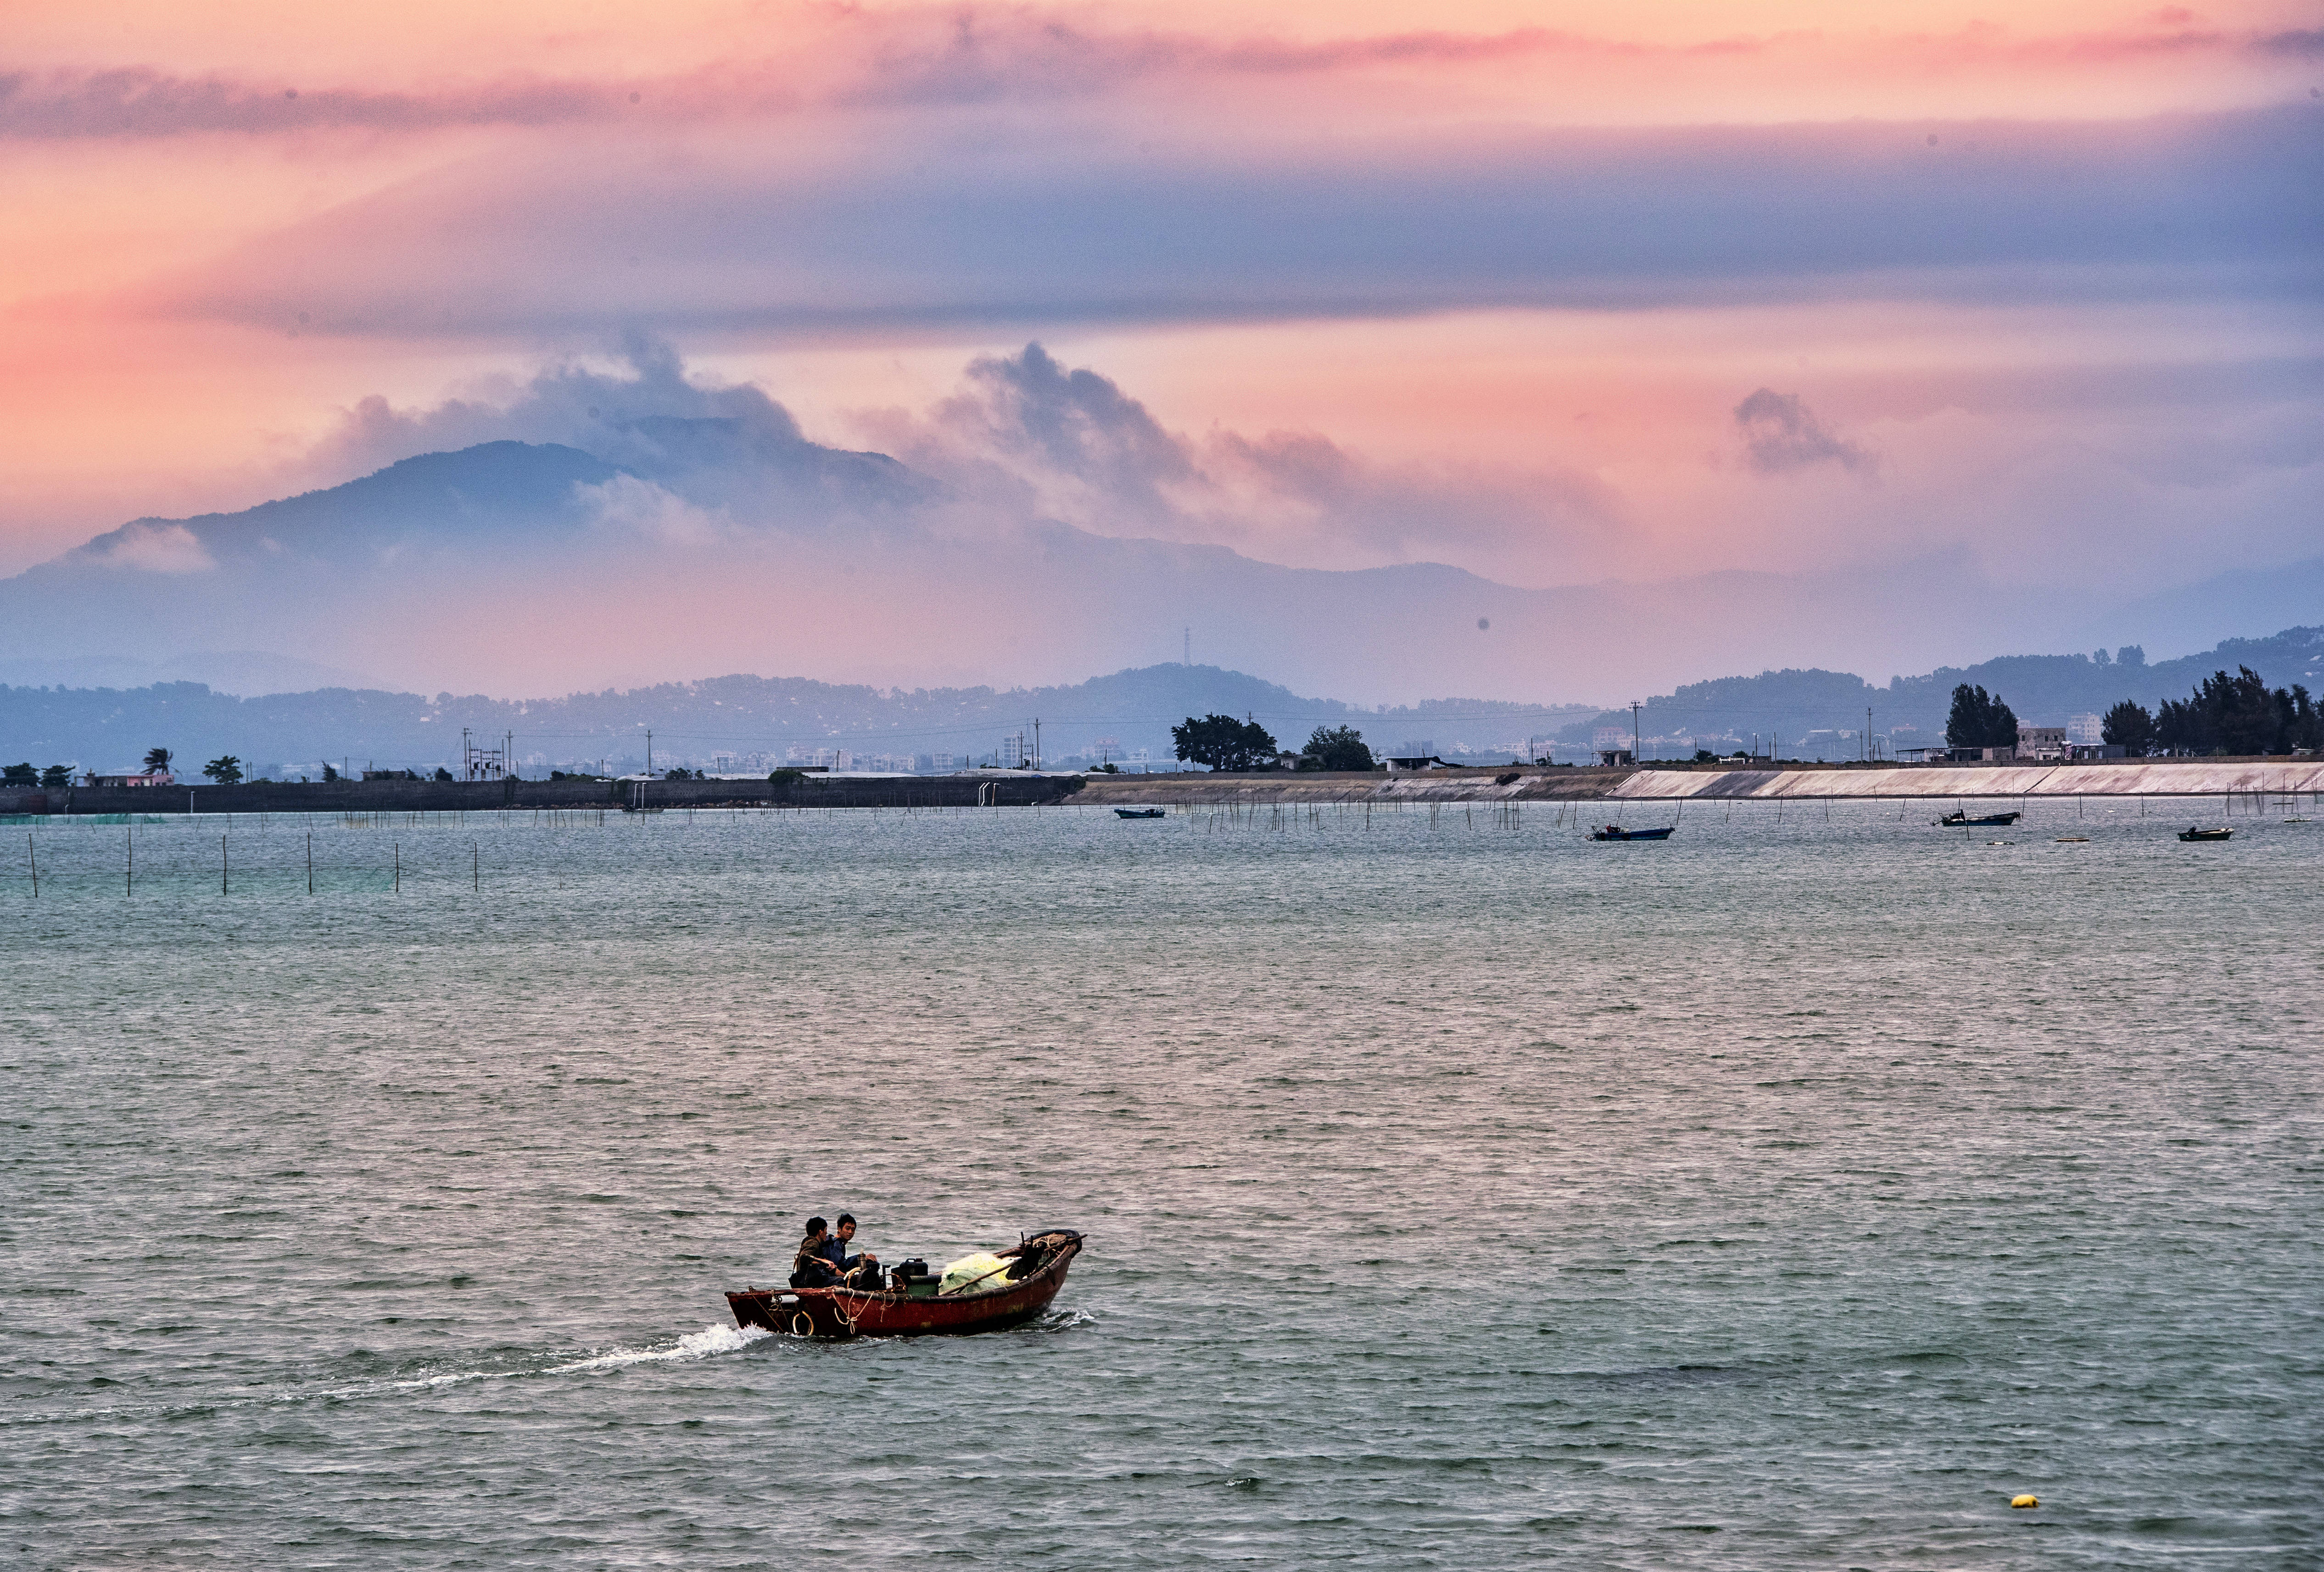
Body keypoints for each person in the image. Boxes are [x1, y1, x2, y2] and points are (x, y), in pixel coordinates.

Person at [790, 1216, 840, 1289]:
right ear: (821, 1232)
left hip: (809, 1281)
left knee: (839, 1279)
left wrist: (846, 1276)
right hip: (808, 1282)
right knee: (839, 1281)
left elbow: (830, 1269)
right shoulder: (813, 1242)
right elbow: (804, 1257)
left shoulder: (818, 1246)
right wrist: (823, 1261)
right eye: (826, 1230)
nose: (826, 1233)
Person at [830, 1213, 880, 1287]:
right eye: (847, 1229)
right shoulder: (836, 1243)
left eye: (853, 1229)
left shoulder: (839, 1243)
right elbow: (839, 1266)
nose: (850, 1232)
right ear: (839, 1229)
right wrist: (861, 1258)